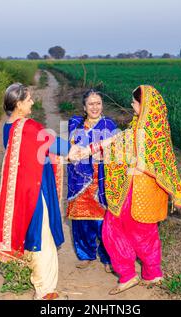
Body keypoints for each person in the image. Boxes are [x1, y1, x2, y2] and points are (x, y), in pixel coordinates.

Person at [74, 85, 181, 295]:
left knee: (113, 228)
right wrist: (90, 150)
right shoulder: (148, 126)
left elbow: (152, 161)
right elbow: (117, 141)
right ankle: (152, 273)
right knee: (144, 232)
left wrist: (139, 164)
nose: (131, 105)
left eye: (135, 102)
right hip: (142, 191)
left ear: (144, 105)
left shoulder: (146, 130)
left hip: (138, 191)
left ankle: (128, 274)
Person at [0, 83, 70, 300]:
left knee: (31, 230)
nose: (32, 102)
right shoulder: (28, 127)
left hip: (20, 189)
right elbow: (53, 144)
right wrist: (77, 149)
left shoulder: (8, 127)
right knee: (42, 235)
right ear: (19, 104)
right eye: (29, 99)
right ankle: (44, 291)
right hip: (34, 188)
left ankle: (38, 281)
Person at [67, 89, 117, 272]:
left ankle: (107, 257)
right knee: (81, 219)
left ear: (102, 105)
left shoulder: (109, 125)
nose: (95, 107)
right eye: (91, 104)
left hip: (101, 180)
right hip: (79, 180)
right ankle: (85, 254)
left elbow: (116, 151)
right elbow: (72, 150)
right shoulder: (75, 124)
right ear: (84, 107)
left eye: (98, 103)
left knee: (103, 221)